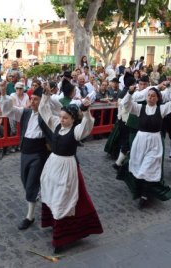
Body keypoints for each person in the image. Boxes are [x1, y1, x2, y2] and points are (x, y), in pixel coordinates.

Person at [38, 86, 103, 253]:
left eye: (65, 118)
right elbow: (44, 111)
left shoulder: (76, 131)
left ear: (73, 119)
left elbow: (87, 126)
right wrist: (45, 95)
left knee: (61, 200)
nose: (62, 120)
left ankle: (59, 240)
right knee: (52, 195)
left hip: (67, 168)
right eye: (61, 117)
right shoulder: (56, 125)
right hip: (53, 165)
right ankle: (55, 225)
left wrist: (86, 110)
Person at [120, 85, 171, 209]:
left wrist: (170, 88)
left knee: (147, 169)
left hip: (154, 142)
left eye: (153, 96)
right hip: (140, 142)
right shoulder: (139, 108)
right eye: (149, 95)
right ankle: (140, 191)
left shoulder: (162, 109)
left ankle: (144, 196)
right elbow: (125, 104)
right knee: (139, 167)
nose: (150, 98)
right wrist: (130, 92)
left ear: (157, 98)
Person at [0, 85, 50, 230]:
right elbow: (9, 110)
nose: (32, 102)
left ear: (42, 101)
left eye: (36, 100)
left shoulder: (46, 115)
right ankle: (37, 195)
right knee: (25, 179)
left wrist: (46, 98)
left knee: (31, 183)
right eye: (32, 99)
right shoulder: (26, 113)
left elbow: (52, 106)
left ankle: (30, 216)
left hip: (39, 154)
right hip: (25, 153)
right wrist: (3, 95)